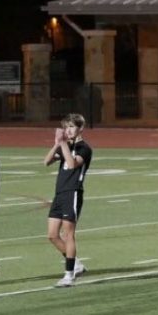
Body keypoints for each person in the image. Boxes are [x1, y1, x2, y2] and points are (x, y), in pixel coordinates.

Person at [44, 113, 92, 287]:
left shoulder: (84, 148)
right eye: (66, 127)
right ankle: (76, 263)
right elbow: (46, 161)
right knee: (52, 235)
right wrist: (57, 143)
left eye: (71, 126)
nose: (68, 130)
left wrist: (63, 144)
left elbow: (72, 164)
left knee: (68, 234)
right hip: (60, 194)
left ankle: (69, 274)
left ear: (80, 128)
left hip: (73, 193)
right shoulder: (65, 145)